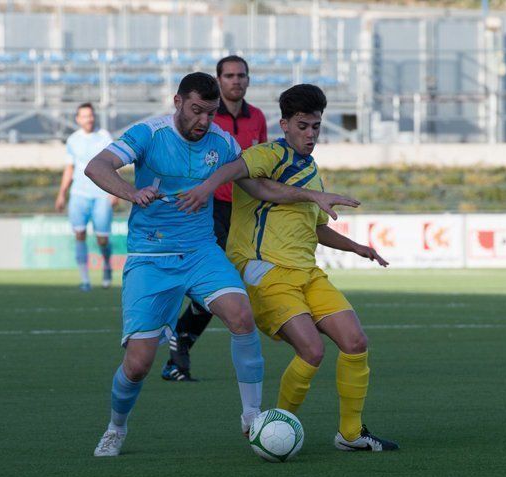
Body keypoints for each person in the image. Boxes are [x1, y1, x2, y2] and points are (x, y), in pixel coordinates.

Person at [178, 84, 400, 452]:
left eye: (316, 126)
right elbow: (233, 169)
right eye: (303, 126)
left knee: (356, 342)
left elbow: (315, 228)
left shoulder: (311, 171)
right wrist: (204, 190)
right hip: (265, 272)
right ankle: (274, 430)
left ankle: (350, 433)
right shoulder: (269, 154)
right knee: (312, 351)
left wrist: (358, 247)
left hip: (307, 273)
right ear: (284, 124)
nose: (310, 134)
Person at [162, 55, 268, 382]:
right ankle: (177, 346)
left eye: (242, 75)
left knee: (226, 288)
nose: (236, 81)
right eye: (230, 76)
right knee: (218, 284)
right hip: (209, 212)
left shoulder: (258, 117)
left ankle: (179, 345)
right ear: (219, 80)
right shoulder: (204, 115)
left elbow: (259, 165)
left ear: (248, 80)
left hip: (244, 213)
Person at [55, 103, 116, 291]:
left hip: (101, 194)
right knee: (79, 234)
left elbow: (113, 164)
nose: (88, 119)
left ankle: (107, 266)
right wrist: (61, 194)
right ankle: (85, 280)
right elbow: (69, 169)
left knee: (102, 239)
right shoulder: (73, 140)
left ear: (94, 116)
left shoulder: (104, 136)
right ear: (77, 119)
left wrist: (115, 191)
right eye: (84, 116)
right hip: (79, 194)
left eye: (90, 115)